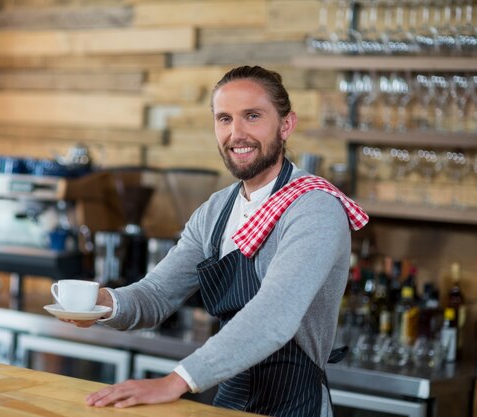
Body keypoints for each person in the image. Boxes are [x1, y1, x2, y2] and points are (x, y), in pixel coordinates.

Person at [62, 65, 368, 417]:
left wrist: (175, 381)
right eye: (224, 119)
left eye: (252, 116)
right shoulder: (216, 210)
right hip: (229, 404)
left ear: (286, 125)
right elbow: (158, 294)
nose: (236, 133)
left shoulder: (314, 207)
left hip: (295, 405)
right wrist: (101, 304)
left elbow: (275, 315)